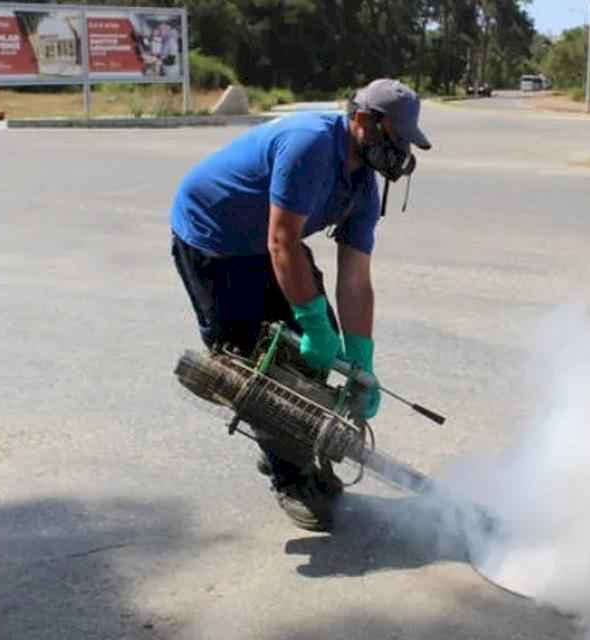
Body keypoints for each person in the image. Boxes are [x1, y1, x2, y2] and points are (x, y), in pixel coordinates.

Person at [169, 78, 432, 532]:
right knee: (257, 369)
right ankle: (288, 474)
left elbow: (356, 277)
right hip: (215, 240)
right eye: (395, 139)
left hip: (269, 241)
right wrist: (311, 323)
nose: (400, 155)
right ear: (364, 122)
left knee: (312, 362)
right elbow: (282, 241)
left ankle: (290, 445)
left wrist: (361, 359)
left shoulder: (363, 189)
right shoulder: (310, 144)